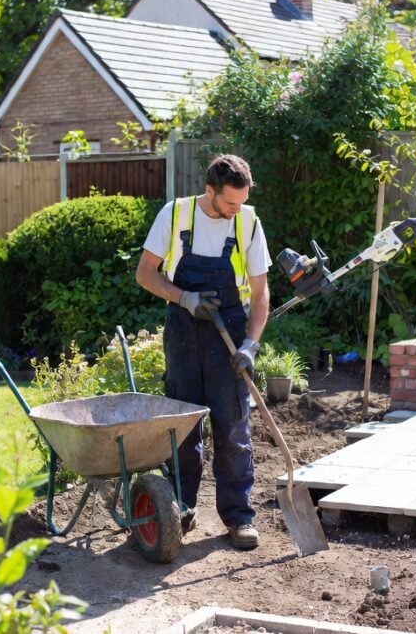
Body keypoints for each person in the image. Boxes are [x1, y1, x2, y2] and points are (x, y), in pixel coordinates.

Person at [135, 154, 272, 550]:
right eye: (229, 203)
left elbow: (261, 294)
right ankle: (179, 508)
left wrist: (250, 344)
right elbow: (145, 274)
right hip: (184, 329)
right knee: (182, 426)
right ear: (209, 191)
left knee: (232, 426)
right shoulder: (175, 214)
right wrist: (185, 298)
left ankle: (239, 516)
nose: (235, 210)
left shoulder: (249, 222)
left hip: (228, 330)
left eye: (240, 203)